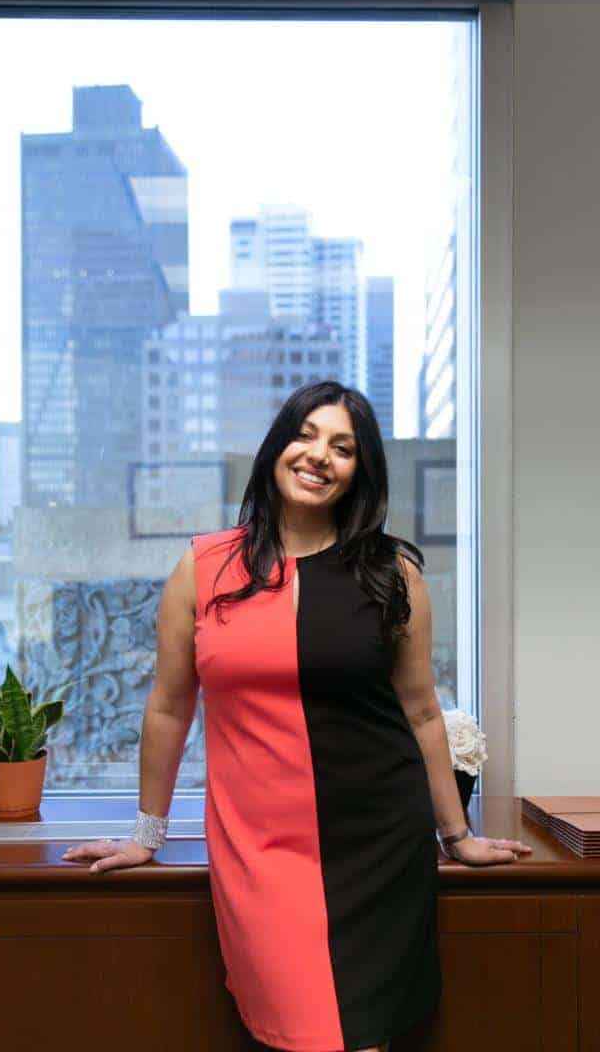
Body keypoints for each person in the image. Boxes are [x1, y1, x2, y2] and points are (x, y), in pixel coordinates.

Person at [63, 381, 532, 1052]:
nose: (319, 456)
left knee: (362, 1038)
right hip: (259, 850)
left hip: (378, 841)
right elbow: (168, 708)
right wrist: (147, 833)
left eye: (343, 447)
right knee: (298, 1030)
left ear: (360, 472)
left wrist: (456, 836)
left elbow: (423, 712)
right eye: (306, 435)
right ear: (277, 447)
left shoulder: (392, 573)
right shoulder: (203, 568)